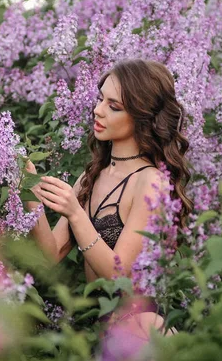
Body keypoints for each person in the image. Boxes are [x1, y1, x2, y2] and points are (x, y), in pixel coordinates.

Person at [26, 58, 193, 342]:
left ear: (142, 116)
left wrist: (75, 214)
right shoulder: (92, 176)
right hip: (105, 333)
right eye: (101, 98)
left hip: (142, 331)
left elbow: (121, 276)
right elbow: (49, 256)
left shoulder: (151, 181)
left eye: (113, 106)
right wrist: (27, 190)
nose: (98, 110)